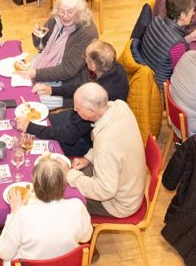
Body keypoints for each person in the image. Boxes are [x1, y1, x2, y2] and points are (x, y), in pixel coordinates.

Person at [24, 40, 129, 156]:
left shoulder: (97, 97)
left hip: (85, 139)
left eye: (86, 56)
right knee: (44, 120)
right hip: (80, 123)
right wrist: (52, 90)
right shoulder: (116, 68)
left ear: (93, 65)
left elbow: (70, 135)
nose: (84, 59)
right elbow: (84, 89)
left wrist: (31, 127)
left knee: (33, 141)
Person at [63, 83, 148, 217]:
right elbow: (115, 148)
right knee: (65, 175)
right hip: (127, 184)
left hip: (118, 204)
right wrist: (88, 158)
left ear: (91, 112)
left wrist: (73, 177)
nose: (74, 110)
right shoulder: (119, 106)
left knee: (61, 196)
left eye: (78, 108)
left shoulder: (105, 144)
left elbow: (105, 191)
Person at [0, 157, 92, 266]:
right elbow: (86, 236)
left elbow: (3, 253)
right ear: (63, 184)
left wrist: (13, 213)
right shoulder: (77, 206)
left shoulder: (22, 214)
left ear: (36, 185)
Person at [19, 0, 100, 87]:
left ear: (79, 12)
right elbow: (42, 47)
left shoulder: (87, 33)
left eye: (70, 12)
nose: (65, 16)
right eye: (61, 11)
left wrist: (36, 74)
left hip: (67, 83)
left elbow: (68, 70)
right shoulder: (56, 19)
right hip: (43, 67)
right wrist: (37, 36)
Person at [142, 0, 196, 86]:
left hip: (149, 74)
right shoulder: (177, 45)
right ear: (182, 15)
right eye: (191, 11)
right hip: (162, 87)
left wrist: (190, 37)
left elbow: (166, 46)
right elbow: (181, 72)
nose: (193, 13)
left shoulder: (157, 20)